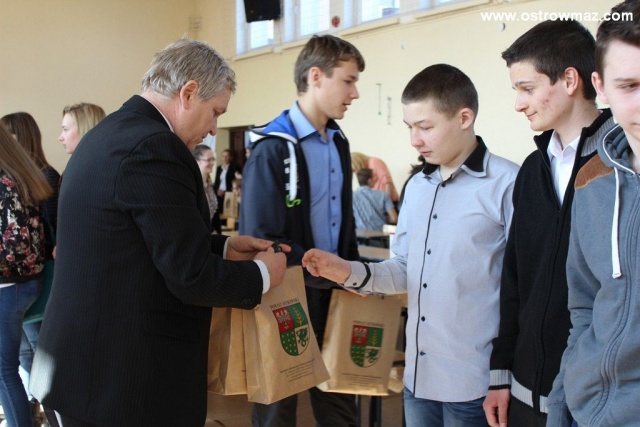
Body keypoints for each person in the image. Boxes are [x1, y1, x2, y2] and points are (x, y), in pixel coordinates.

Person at [29, 38, 288, 427]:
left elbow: (137, 238)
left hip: (85, 367)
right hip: (123, 381)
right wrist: (264, 274)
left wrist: (224, 247)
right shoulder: (155, 146)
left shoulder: (108, 132)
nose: (213, 129)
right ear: (188, 93)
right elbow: (190, 276)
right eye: (215, 112)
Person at [303, 63, 519, 427]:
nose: (415, 140)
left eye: (425, 127)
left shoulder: (507, 183)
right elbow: (405, 269)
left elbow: (523, 288)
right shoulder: (417, 187)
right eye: (409, 127)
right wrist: (347, 271)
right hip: (418, 379)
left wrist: (504, 376)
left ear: (464, 118)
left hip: (475, 381)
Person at [482, 19, 615, 427]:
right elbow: (515, 278)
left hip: (594, 399)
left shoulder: (620, 165)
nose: (518, 104)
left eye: (527, 88)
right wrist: (501, 373)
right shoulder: (531, 170)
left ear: (570, 80)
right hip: (525, 393)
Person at [240, 34, 365, 427]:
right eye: (348, 81)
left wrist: (351, 270)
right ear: (316, 77)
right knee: (278, 404)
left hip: (334, 288)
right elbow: (259, 234)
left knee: (339, 398)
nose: (355, 93)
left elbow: (344, 219)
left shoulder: (338, 142)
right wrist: (310, 262)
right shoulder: (274, 146)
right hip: (288, 288)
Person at [547, 2, 640, 425]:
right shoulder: (592, 180)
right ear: (600, 86)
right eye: (630, 85)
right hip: (587, 411)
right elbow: (584, 308)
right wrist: (562, 402)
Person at [1, 111, 61, 422]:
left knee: (9, 368)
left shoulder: (9, 178)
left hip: (12, 282)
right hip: (29, 278)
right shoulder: (24, 175)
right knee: (28, 358)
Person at [192, 143, 222, 234]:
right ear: (197, 161)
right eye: (208, 160)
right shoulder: (192, 185)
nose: (212, 163)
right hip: (198, 234)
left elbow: (215, 215)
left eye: (213, 159)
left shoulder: (211, 185)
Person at [213, 148, 239, 213]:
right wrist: (217, 191)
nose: (225, 158)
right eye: (223, 156)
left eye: (227, 156)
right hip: (219, 194)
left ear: (231, 157)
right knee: (218, 212)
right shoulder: (219, 168)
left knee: (228, 212)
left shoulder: (234, 168)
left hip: (229, 193)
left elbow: (236, 181)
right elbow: (216, 182)